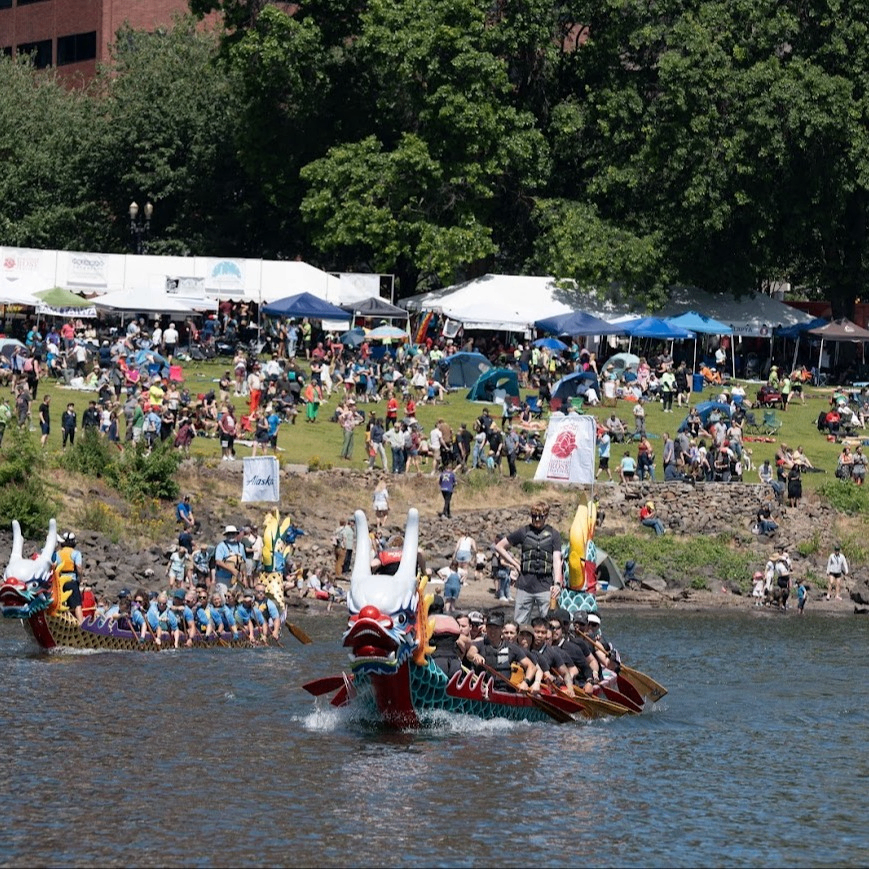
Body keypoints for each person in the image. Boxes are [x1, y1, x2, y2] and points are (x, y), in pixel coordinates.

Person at [494, 502, 563, 624]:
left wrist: (557, 583)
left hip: (545, 586)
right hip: (525, 586)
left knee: (548, 623)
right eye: (534, 516)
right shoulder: (523, 532)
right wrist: (515, 564)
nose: (536, 519)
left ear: (545, 516)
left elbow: (557, 560)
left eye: (540, 516)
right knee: (519, 622)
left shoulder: (554, 534)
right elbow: (499, 547)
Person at [465, 609, 538, 690]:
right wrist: (475, 655)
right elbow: (470, 653)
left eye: (496, 628)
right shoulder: (479, 644)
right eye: (490, 627)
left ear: (502, 629)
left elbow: (531, 667)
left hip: (504, 692)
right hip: (482, 689)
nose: (492, 631)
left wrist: (525, 682)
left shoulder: (512, 648)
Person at [53, 531, 84, 624]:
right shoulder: (76, 553)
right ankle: (81, 624)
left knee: (64, 603)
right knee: (77, 605)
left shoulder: (58, 553)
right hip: (72, 581)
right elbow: (78, 567)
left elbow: (54, 566)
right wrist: (81, 578)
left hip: (60, 583)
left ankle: (64, 621)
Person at [215, 525, 246, 591]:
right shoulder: (221, 546)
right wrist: (232, 570)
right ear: (226, 535)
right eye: (229, 534)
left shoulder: (241, 546)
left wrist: (245, 578)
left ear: (236, 534)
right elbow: (218, 562)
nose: (231, 535)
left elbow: (243, 562)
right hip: (223, 578)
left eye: (233, 533)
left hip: (237, 579)